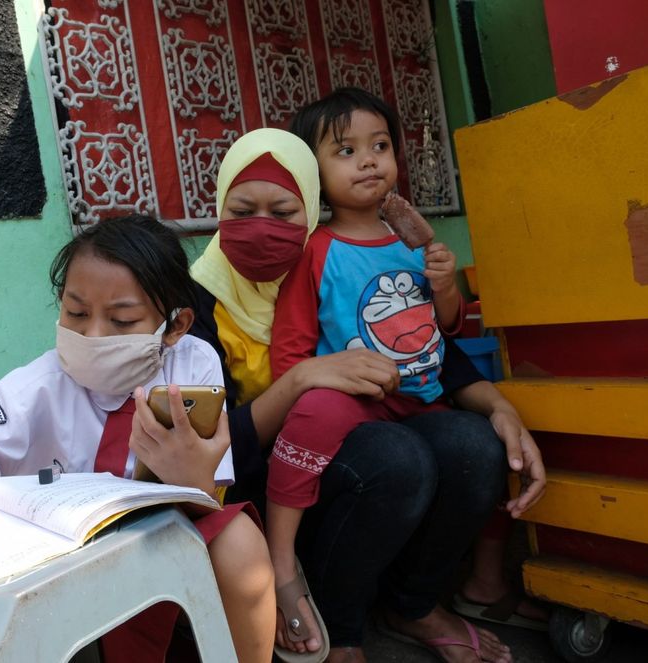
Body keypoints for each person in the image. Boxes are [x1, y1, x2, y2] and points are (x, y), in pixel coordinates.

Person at [190, 126, 544, 662]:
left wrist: (498, 406)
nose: (261, 229)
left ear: (310, 209)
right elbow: (208, 448)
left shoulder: (334, 262)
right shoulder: (197, 303)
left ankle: (413, 604)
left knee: (472, 445)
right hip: (259, 482)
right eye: (242, 210)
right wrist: (302, 378)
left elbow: (423, 348)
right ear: (218, 207)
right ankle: (338, 623)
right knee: (395, 458)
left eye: (283, 212)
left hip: (344, 437)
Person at [0, 215, 275, 663]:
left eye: (122, 319)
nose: (92, 335)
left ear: (174, 326)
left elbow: (209, 497)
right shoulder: (35, 389)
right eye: (76, 313)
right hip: (59, 565)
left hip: (167, 536)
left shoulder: (191, 365)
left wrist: (194, 480)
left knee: (242, 543)